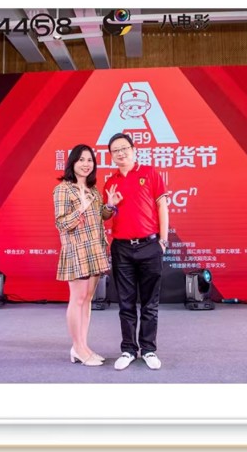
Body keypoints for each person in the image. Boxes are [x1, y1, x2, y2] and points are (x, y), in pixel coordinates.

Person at [101, 133, 169, 370]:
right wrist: (110, 205)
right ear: (111, 156)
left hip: (150, 245)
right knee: (126, 303)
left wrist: (163, 241)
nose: (121, 153)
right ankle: (128, 350)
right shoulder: (110, 182)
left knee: (150, 303)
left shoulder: (150, 173)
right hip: (122, 248)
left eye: (124, 148)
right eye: (115, 150)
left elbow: (162, 206)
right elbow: (105, 216)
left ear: (133, 149)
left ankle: (148, 349)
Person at [53, 144, 110, 367]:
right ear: (72, 163)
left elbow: (101, 216)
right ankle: (77, 347)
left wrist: (111, 206)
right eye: (81, 160)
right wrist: (81, 208)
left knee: (87, 300)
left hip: (95, 248)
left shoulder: (93, 190)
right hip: (76, 249)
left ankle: (83, 346)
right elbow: (61, 223)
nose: (86, 164)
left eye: (90, 160)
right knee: (77, 299)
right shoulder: (63, 189)